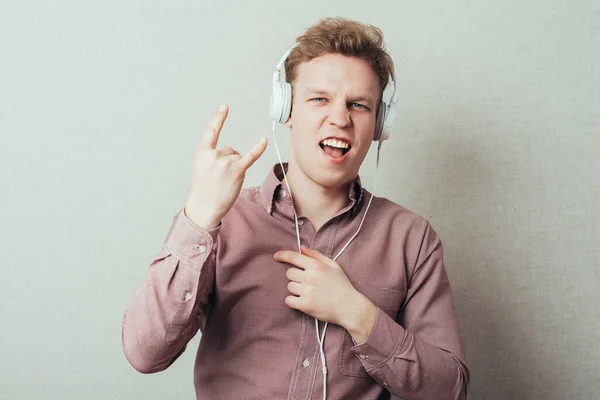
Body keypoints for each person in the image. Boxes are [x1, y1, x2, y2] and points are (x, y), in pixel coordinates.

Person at [122, 17, 470, 400]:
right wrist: (199, 218)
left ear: (378, 125)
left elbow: (450, 389)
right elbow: (145, 354)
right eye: (319, 98)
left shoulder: (412, 239)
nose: (340, 118)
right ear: (285, 110)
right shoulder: (222, 221)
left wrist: (358, 314)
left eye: (358, 105)